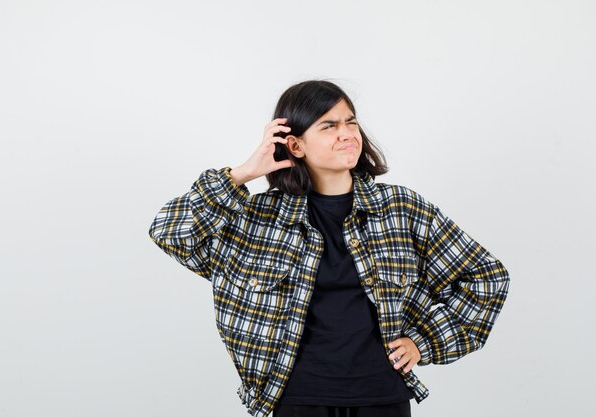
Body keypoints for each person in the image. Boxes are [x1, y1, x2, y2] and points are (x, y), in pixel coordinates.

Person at [148, 80, 510, 417]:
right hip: (297, 398)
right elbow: (170, 232)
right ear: (295, 144)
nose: (347, 135)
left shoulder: (401, 208)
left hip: (382, 396)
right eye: (329, 126)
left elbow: (485, 277)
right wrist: (242, 173)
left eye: (350, 123)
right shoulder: (256, 219)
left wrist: (424, 341)